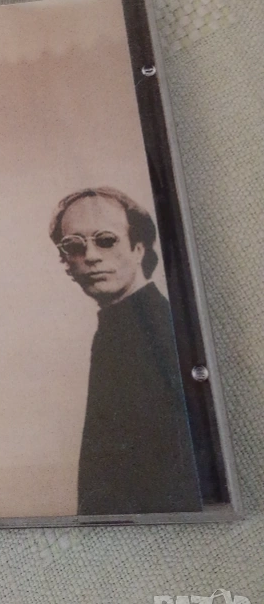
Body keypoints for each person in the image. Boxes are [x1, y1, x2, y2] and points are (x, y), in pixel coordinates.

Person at [49, 187, 202, 515]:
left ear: (138, 248)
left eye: (106, 240)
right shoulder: (116, 327)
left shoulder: (160, 330)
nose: (91, 256)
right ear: (65, 262)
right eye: (74, 245)